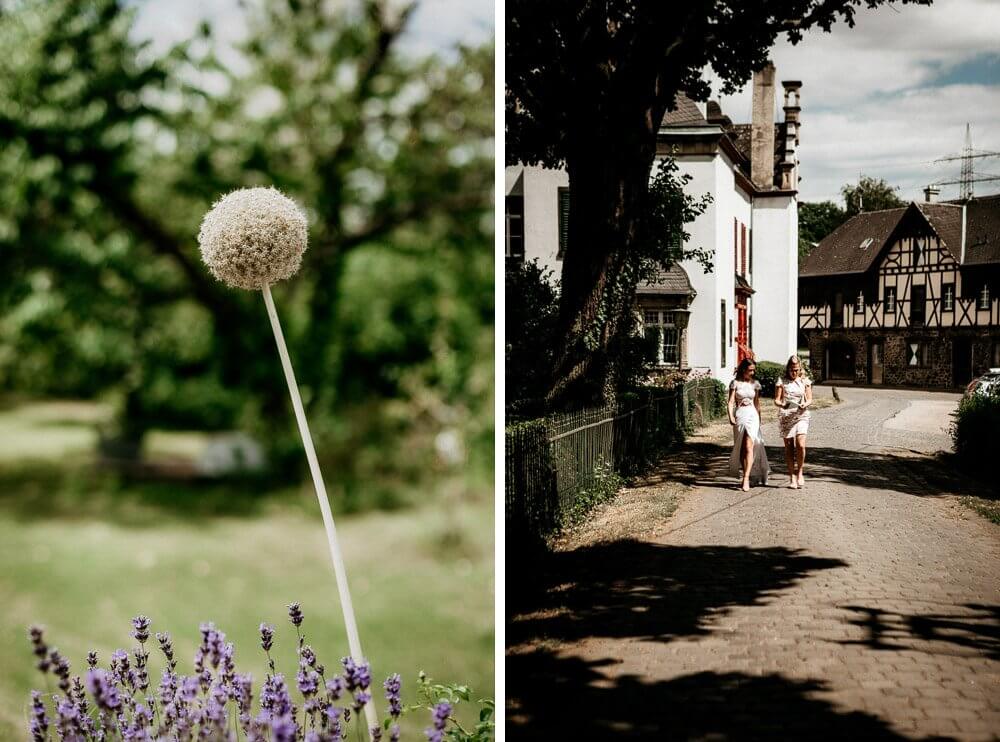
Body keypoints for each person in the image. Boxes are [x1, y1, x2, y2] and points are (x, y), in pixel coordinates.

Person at [727, 358, 769, 491]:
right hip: (740, 415)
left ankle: (746, 478)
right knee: (741, 447)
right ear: (744, 369)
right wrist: (731, 416)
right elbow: (730, 402)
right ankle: (744, 471)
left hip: (752, 415)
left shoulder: (755, 384)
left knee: (749, 445)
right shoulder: (735, 383)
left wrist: (759, 418)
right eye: (750, 370)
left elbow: (757, 403)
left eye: (753, 370)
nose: (752, 372)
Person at [774, 354, 812, 488]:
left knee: (801, 445)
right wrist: (781, 404)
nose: (794, 372)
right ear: (788, 368)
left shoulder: (805, 381)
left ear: (799, 368)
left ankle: (800, 471)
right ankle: (792, 477)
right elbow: (776, 399)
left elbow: (809, 399)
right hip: (786, 416)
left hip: (801, 415)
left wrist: (805, 404)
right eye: (791, 370)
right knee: (789, 447)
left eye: (796, 370)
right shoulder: (782, 381)